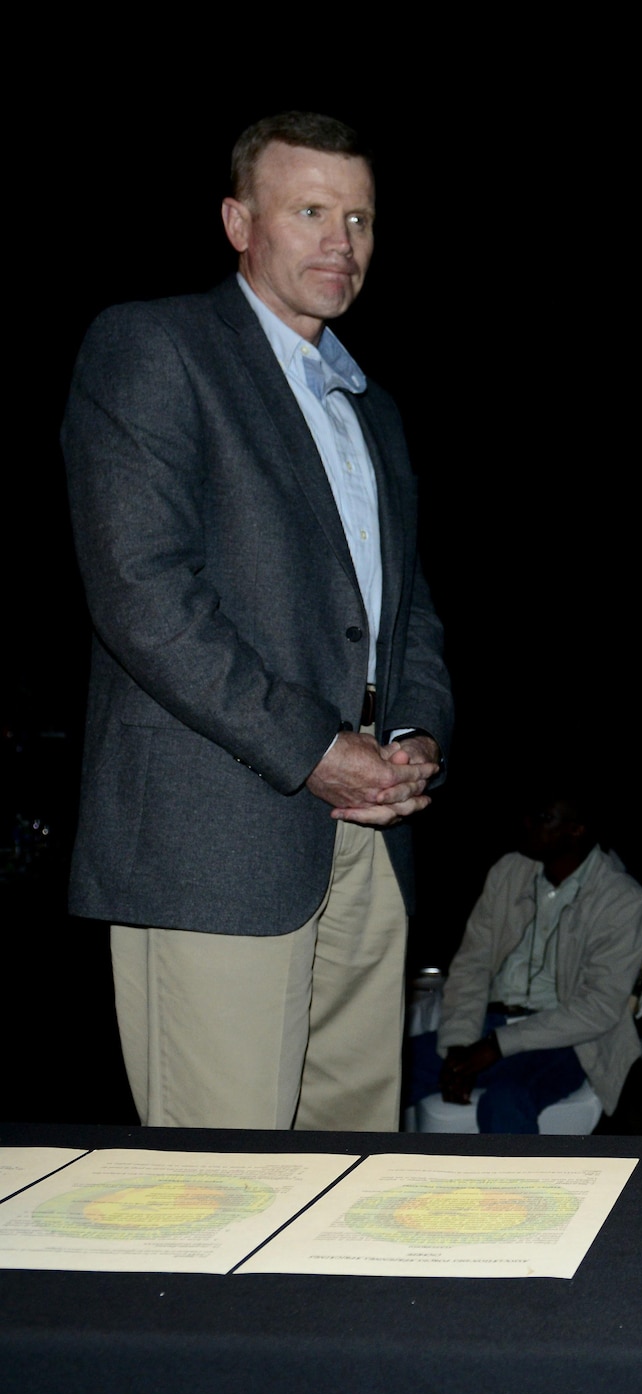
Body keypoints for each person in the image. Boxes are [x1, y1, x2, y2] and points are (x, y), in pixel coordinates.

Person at [62, 112, 453, 1131]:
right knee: (220, 1186)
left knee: (350, 1174)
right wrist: (313, 745)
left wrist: (414, 734)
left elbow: (406, 614)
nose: (342, 241)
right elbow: (143, 594)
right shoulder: (153, 346)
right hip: (216, 842)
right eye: (311, 211)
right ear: (240, 221)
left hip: (368, 837)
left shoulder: (371, 406)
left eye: (360, 218)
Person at [415, 793, 642, 1133]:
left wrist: (494, 1047)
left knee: (506, 1101)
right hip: (489, 1025)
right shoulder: (510, 872)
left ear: (576, 831)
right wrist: (457, 1049)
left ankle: (519, 1188)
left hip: (566, 1041)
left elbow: (598, 1008)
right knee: (391, 1068)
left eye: (542, 817)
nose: (526, 823)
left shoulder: (623, 900)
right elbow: (472, 965)